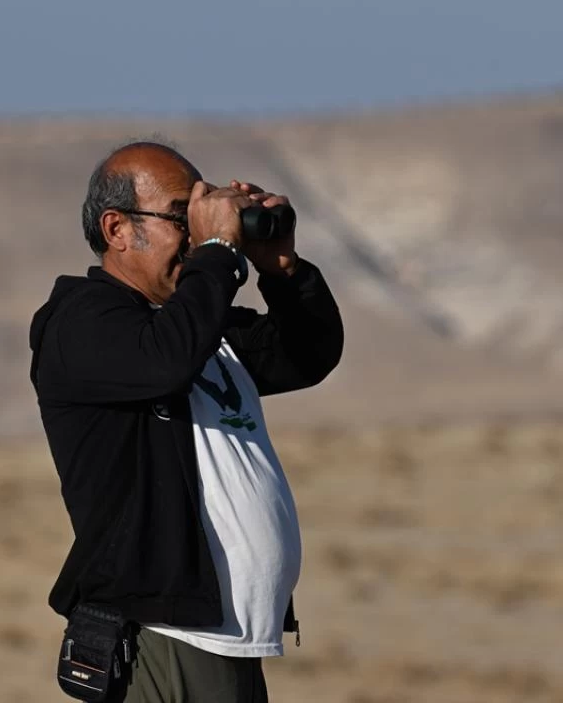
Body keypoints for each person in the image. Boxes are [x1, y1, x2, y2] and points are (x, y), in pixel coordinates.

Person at [29, 140, 344, 702]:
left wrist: (283, 270)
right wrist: (220, 251)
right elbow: (163, 361)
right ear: (117, 229)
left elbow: (307, 354)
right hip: (164, 635)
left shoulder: (199, 323)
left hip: (232, 639)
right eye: (184, 218)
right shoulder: (80, 322)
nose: (198, 235)